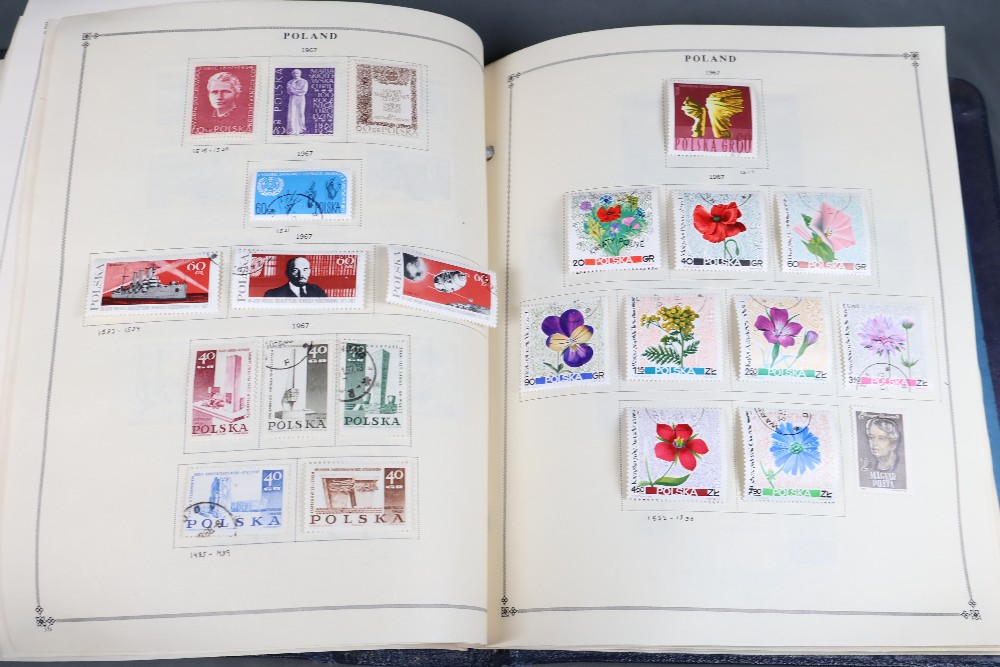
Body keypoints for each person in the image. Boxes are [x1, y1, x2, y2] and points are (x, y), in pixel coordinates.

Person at [286, 69, 309, 135]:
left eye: (297, 73)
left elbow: (304, 91)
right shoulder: (290, 82)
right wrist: (296, 91)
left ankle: (301, 129)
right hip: (293, 98)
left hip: (301, 98)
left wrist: (294, 91)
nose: (295, 74)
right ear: (292, 74)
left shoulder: (304, 81)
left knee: (301, 113)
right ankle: (292, 129)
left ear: (300, 73)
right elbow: (288, 91)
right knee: (292, 112)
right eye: (294, 73)